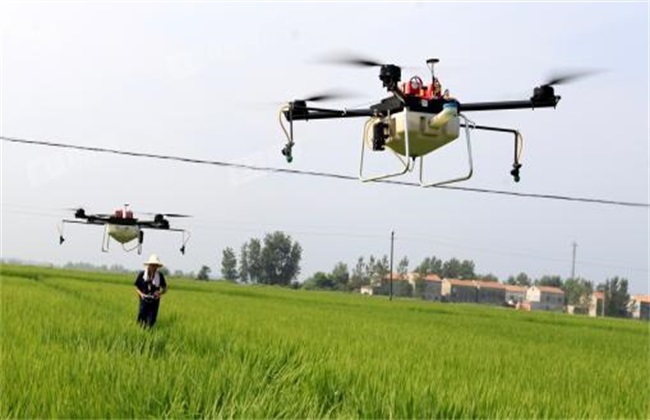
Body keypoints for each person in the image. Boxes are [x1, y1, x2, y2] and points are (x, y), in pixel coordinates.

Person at [134, 254, 168, 328]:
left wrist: (160, 292)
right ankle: (139, 334)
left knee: (151, 321)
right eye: (152, 265)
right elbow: (136, 287)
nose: (154, 267)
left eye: (155, 265)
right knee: (141, 319)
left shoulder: (159, 276)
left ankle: (148, 334)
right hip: (144, 300)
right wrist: (141, 294)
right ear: (149, 265)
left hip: (154, 301)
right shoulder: (142, 275)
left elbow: (165, 289)